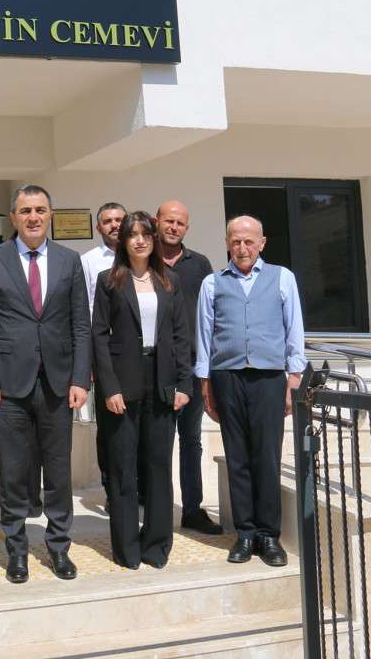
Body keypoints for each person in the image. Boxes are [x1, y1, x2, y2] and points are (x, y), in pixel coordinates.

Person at [0, 184, 91, 584]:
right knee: (13, 473)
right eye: (26, 211)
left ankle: (58, 547)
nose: (34, 217)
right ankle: (17, 550)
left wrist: (80, 378)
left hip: (58, 383)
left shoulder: (69, 260)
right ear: (14, 217)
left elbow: (81, 324)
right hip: (9, 385)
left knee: (58, 471)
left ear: (50, 214)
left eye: (40, 210)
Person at [196, 215, 305, 567]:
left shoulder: (282, 277)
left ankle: (268, 535)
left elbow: (294, 328)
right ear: (227, 243)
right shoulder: (212, 283)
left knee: (267, 456)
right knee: (237, 456)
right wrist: (205, 383)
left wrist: (294, 376)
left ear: (261, 243)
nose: (242, 248)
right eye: (235, 241)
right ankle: (244, 533)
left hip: (269, 378)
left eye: (248, 241)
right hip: (227, 377)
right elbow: (204, 335)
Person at [91, 211, 193, 568]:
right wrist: (109, 387)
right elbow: (98, 337)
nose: (139, 241)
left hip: (162, 379)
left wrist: (184, 383)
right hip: (123, 382)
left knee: (159, 466)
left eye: (145, 235)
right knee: (122, 467)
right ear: (123, 241)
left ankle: (156, 545)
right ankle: (127, 548)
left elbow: (181, 336)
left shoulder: (170, 281)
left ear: (154, 240)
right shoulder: (109, 281)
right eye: (132, 235)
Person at [154, 200, 223, 536]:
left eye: (180, 223)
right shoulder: (143, 259)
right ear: (157, 221)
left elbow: (211, 314)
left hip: (193, 368)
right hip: (154, 368)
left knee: (191, 439)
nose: (174, 227)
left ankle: (192, 509)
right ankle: (157, 511)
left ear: (187, 227)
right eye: (169, 221)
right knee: (157, 443)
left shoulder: (200, 264)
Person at [81, 203, 126, 499]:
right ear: (98, 227)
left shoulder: (144, 257)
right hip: (104, 353)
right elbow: (85, 311)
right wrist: (89, 361)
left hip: (138, 353)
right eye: (108, 221)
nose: (114, 225)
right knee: (108, 425)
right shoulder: (88, 261)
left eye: (119, 219)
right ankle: (112, 489)